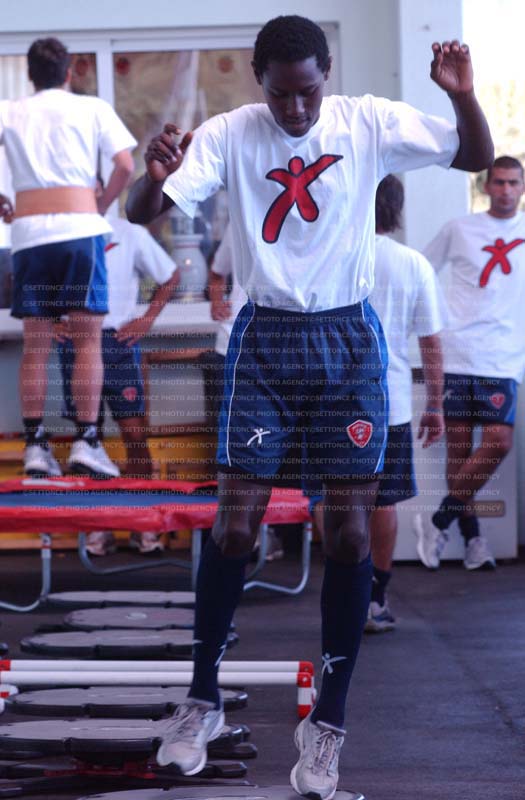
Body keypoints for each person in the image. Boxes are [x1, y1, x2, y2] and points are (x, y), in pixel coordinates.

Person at [126, 15, 492, 799]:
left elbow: (474, 156)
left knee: (350, 531)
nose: (294, 110)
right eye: (280, 95)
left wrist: (462, 96)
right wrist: (151, 177)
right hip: (264, 341)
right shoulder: (231, 132)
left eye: (307, 93)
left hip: (347, 342)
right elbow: (138, 212)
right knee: (235, 524)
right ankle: (201, 699)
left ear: (326, 75)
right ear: (259, 81)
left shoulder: (366, 120)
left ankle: (327, 721)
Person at [0, 37, 136, 478]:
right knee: (87, 342)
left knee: (36, 347)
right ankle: (87, 441)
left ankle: (35, 448)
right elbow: (125, 165)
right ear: (69, 72)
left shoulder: (9, 110)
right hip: (80, 232)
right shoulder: (92, 107)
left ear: (30, 75)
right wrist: (101, 205)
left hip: (30, 237)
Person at [414, 155, 525, 571]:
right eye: (499, 182)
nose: (506, 190)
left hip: (503, 359)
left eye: (513, 183)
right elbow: (422, 272)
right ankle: (473, 540)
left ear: (522, 187)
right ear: (486, 186)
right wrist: (433, 320)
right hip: (458, 353)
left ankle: (438, 520)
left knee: (498, 442)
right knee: (458, 452)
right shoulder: (459, 229)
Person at [57, 192, 179, 554]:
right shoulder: (60, 233)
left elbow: (171, 276)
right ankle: (98, 528)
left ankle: (142, 525)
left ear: (107, 189)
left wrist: (146, 319)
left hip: (119, 343)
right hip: (77, 344)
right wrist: (49, 321)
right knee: (86, 442)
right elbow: (31, 282)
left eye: (97, 187)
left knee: (135, 436)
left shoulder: (130, 232)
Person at [365, 174, 445, 631]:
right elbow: (430, 342)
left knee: (334, 498)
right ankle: (374, 596)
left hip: (330, 403)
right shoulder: (413, 264)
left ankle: (345, 591)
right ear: (396, 209)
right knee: (382, 500)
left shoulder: (331, 256)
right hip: (389, 402)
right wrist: (434, 405)